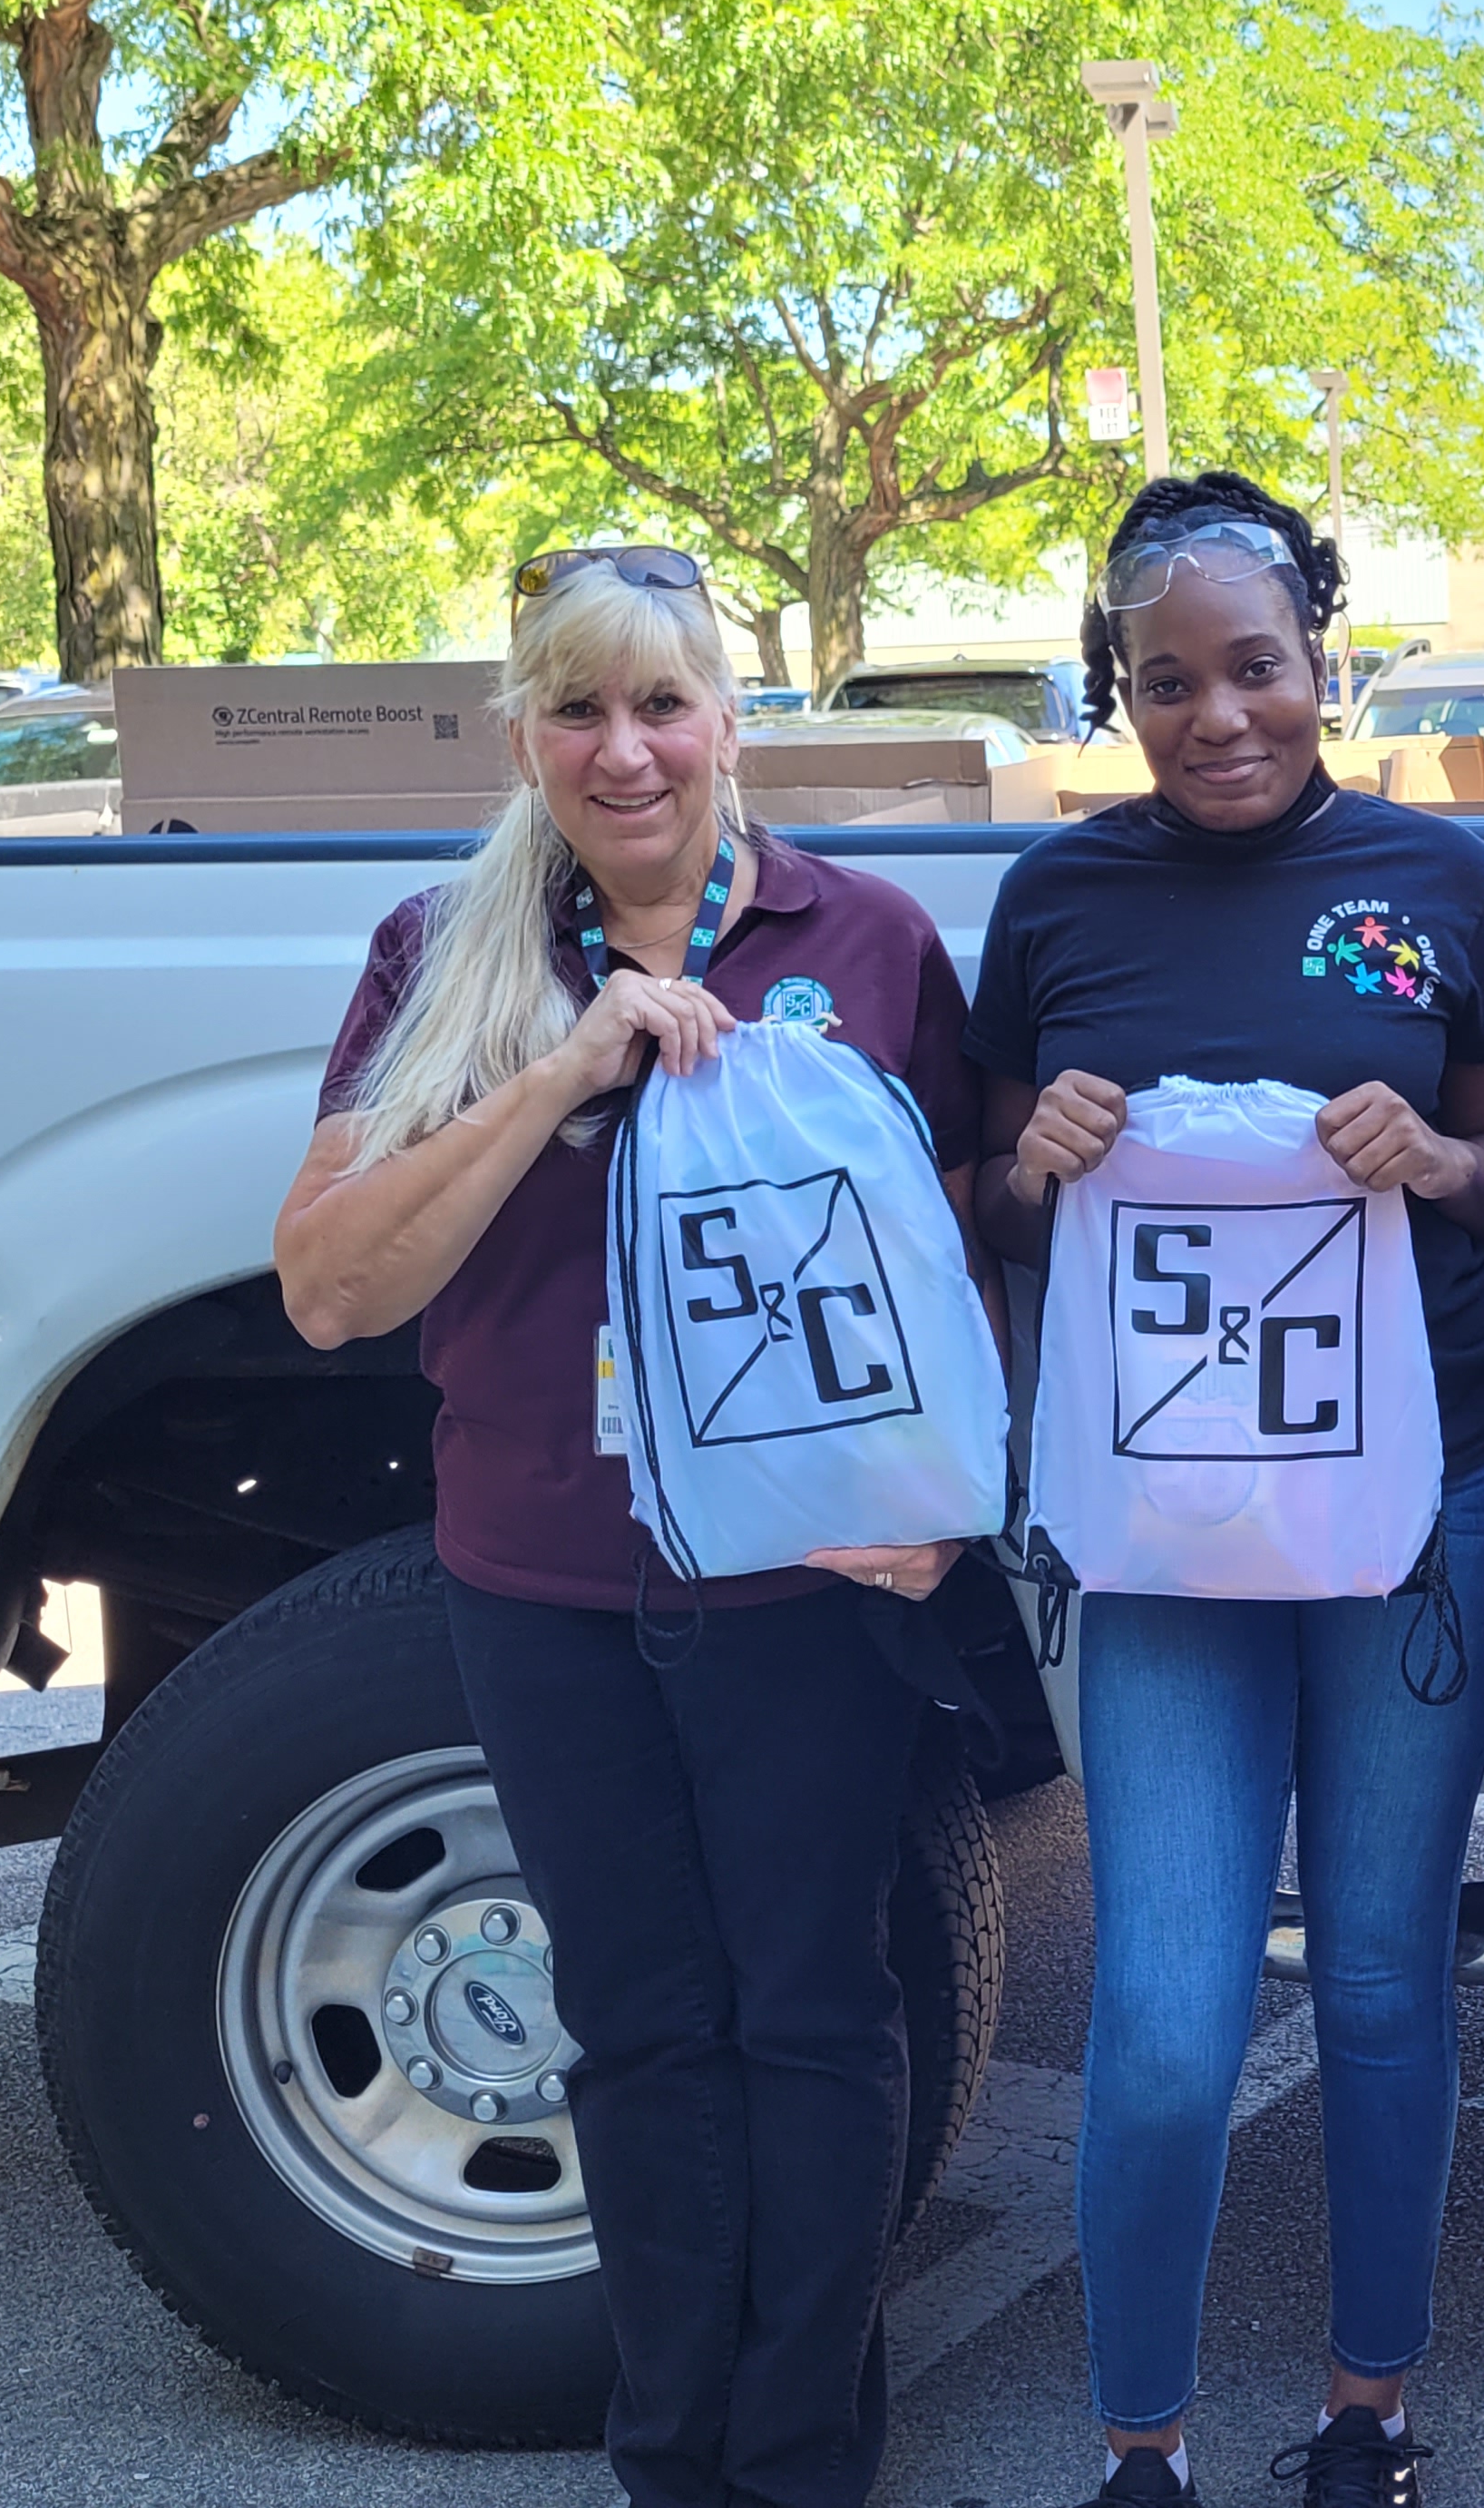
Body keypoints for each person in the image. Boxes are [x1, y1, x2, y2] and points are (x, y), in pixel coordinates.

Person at [275, 549, 990, 2508]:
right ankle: (674, 2460)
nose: (626, 749)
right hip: (549, 1590)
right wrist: (562, 1073)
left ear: (731, 722)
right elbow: (329, 1287)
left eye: (664, 703)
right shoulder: (447, 951)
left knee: (817, 2017)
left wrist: (931, 1508)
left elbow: (951, 1260)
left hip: (799, 1593)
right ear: (521, 733)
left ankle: (805, 2455)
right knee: (641, 2032)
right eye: (577, 709)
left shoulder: (866, 940)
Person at [967, 473, 1484, 2508]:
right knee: (1161, 2013)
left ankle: (1367, 2413)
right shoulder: (1055, 903)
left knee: (1385, 1976)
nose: (1219, 716)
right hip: (1159, 1523)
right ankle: (1144, 2448)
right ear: (1116, 690)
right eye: (1166, 682)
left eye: (1257, 669)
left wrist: (1438, 1159)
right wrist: (1030, 1158)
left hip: (1420, 1509)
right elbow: (980, 1195)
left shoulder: (1439, 882)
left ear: (1324, 657)